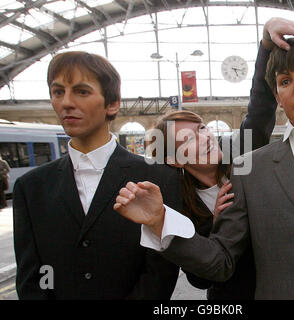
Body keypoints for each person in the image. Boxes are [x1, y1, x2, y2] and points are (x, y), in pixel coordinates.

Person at [114, 20, 294, 299]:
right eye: (285, 81)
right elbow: (217, 262)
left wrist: (267, 43)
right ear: (279, 95)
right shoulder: (249, 171)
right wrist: (162, 221)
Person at [139, 18, 294, 300]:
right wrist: (217, 226)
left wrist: (266, 43)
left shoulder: (243, 160)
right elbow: (198, 279)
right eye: (188, 140)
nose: (205, 137)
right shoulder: (178, 204)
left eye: (201, 128)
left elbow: (259, 108)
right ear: (174, 161)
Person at [13, 51, 182, 299]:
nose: (66, 103)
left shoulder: (158, 177)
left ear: (112, 104)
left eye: (82, 91)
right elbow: (30, 278)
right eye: (58, 92)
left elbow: (160, 270)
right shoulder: (30, 188)